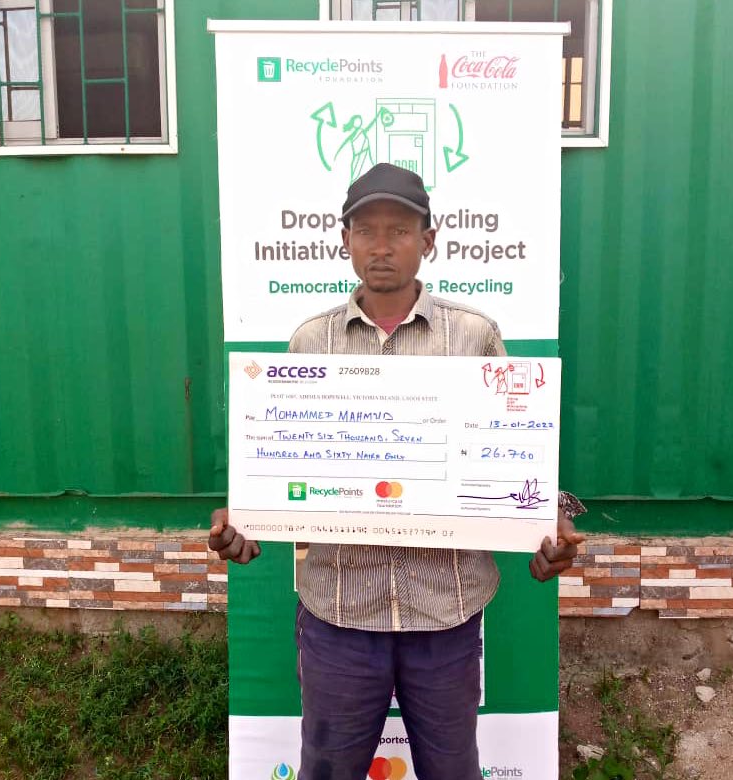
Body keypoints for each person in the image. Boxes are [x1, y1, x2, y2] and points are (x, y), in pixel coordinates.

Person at [210, 163, 586, 780]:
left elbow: (510, 450)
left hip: (447, 613)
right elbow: (283, 464)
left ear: (429, 240)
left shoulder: (474, 337)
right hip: (339, 614)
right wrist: (248, 520)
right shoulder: (310, 343)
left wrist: (542, 526)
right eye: (367, 230)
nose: (382, 246)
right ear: (344, 240)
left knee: (451, 770)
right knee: (327, 770)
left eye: (400, 230)